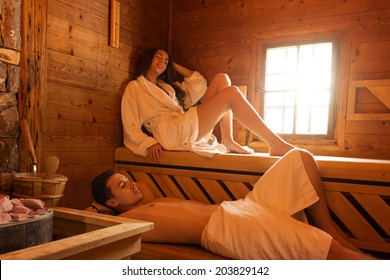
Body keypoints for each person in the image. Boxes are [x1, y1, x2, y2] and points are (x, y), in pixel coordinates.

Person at [91, 148, 375, 260]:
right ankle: (337, 244)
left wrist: (126, 195)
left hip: (241, 207)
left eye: (128, 178)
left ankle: (332, 231)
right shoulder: (128, 223)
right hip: (230, 229)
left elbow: (143, 189)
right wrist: (99, 209)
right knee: (329, 251)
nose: (132, 183)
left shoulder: (152, 201)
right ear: (112, 201)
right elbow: (89, 222)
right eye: (122, 185)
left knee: (299, 159)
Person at [121, 48, 295, 162]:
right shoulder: (135, 87)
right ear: (148, 59)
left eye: (166, 61)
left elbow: (198, 83)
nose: (162, 61)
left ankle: (228, 139)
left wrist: (173, 65)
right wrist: (148, 143)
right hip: (170, 132)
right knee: (232, 93)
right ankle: (274, 143)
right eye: (159, 56)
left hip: (181, 124)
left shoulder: (167, 87)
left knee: (222, 79)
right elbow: (130, 124)